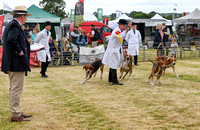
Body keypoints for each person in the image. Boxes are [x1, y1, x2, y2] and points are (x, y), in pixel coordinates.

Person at [1, 5, 32, 122]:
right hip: (16, 63)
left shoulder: (13, 24)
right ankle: (15, 114)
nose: (26, 19)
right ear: (22, 16)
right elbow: (11, 40)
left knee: (14, 88)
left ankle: (16, 111)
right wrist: (19, 51)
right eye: (26, 16)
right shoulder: (14, 25)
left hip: (13, 62)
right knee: (16, 88)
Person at [102, 19, 128, 85]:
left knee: (113, 64)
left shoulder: (119, 31)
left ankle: (110, 79)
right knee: (113, 65)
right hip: (113, 50)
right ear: (121, 25)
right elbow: (120, 36)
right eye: (125, 26)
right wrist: (125, 31)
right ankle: (114, 81)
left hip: (116, 49)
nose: (125, 27)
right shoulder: (116, 30)